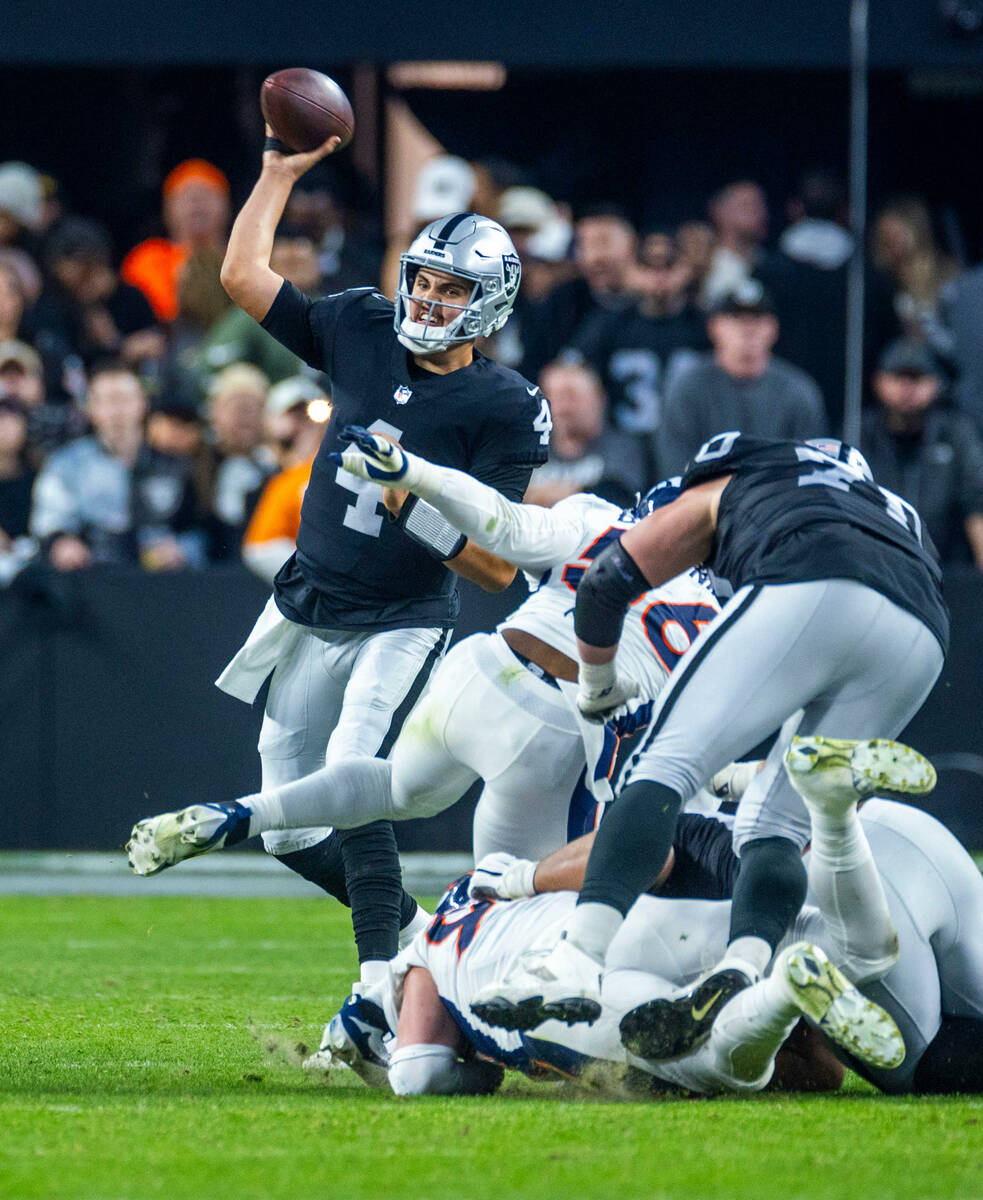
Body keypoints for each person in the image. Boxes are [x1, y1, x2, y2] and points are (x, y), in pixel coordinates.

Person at [469, 431, 947, 1050]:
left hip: (811, 572)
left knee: (660, 768)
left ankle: (576, 960)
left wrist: (598, 684)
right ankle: (743, 970)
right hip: (922, 632)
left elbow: (606, 581)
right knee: (775, 824)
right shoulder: (888, 508)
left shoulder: (736, 480)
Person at [211, 128, 550, 988]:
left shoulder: (504, 407)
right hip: (309, 600)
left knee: (353, 773)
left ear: (491, 304)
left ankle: (377, 988)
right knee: (290, 827)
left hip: (399, 617)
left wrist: (415, 509)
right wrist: (275, 174)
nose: (430, 300)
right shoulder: (362, 325)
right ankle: (416, 931)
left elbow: (499, 568)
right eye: (425, 282)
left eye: (452, 289)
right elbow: (243, 277)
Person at [127, 443, 719, 875]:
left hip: (483, 668)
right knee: (507, 908)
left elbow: (502, 534)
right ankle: (393, 1011)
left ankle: (242, 815)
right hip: (555, 728)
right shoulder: (718, 609)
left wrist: (417, 495)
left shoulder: (598, 518)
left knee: (395, 787)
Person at [30, 362, 204, 571]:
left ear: (142, 403)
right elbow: (49, 522)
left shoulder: (173, 464)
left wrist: (182, 548)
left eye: (123, 400)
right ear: (90, 409)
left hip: (159, 580)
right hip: (91, 576)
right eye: (104, 401)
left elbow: (200, 528)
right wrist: (61, 544)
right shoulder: (66, 464)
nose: (115, 411)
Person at [658, 280, 826, 476]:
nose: (749, 329)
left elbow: (811, 473)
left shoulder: (798, 391)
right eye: (736, 317)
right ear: (714, 327)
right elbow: (676, 471)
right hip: (701, 502)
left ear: (774, 329)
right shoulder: (687, 388)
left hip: (778, 503)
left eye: (758, 318)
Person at [862, 340, 983, 568]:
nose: (906, 388)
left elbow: (977, 503)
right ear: (878, 382)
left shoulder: (956, 435)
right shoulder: (860, 433)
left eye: (916, 378)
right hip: (878, 571)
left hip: (947, 573)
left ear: (935, 384)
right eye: (898, 377)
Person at [241, 376, 329, 584]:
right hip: (295, 579)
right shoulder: (260, 469)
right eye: (292, 413)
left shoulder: (332, 466)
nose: (301, 422)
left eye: (305, 414)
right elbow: (258, 549)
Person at [523, 361, 646, 509]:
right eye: (555, 397)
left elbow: (624, 497)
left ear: (599, 398)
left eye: (572, 396)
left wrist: (561, 493)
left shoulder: (623, 448)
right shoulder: (525, 450)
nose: (564, 407)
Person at [122, 159, 231, 323]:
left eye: (208, 194)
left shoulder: (247, 258)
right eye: (186, 196)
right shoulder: (147, 259)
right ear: (167, 210)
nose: (197, 202)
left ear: (227, 206)